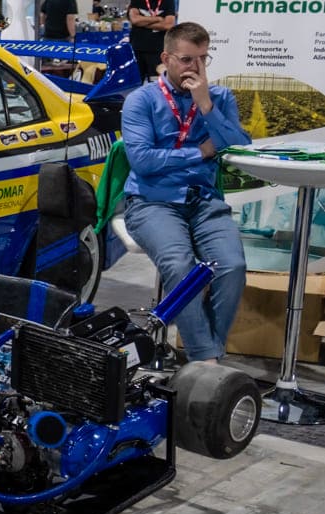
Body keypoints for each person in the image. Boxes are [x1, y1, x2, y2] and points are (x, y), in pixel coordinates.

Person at [120, 21, 251, 363]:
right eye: (188, 59)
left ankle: (207, 354)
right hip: (152, 202)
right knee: (180, 266)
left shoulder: (219, 97)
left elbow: (240, 151)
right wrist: (201, 152)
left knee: (232, 266)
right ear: (166, 58)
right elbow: (144, 162)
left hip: (204, 202)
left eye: (204, 59)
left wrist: (205, 105)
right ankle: (207, 362)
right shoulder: (141, 101)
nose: (197, 67)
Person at [128, 0, 176, 81]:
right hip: (137, 49)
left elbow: (168, 25)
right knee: (135, 82)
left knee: (157, 83)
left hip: (158, 51)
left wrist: (142, 24)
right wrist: (158, 19)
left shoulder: (168, 1)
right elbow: (135, 20)